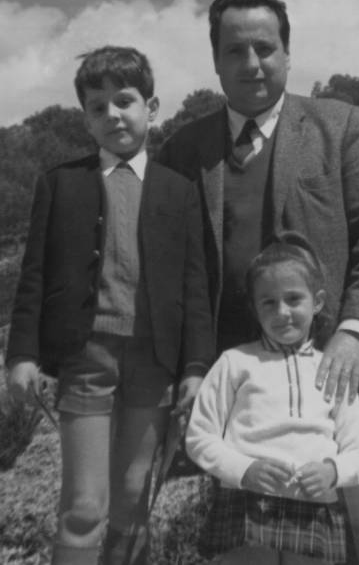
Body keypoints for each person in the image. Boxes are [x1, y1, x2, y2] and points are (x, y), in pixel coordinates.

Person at [158, 0, 359, 565]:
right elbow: (168, 269)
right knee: (246, 540)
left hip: (334, 370)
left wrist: (355, 329)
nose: (252, 63)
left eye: (265, 48)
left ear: (288, 54)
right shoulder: (182, 149)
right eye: (235, 50)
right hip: (235, 383)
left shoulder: (341, 125)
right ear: (216, 59)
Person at [6, 45, 214, 565]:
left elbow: (194, 286)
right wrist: (22, 355)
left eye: (124, 100)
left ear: (153, 106)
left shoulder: (180, 191)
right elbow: (33, 275)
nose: (112, 115)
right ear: (85, 119)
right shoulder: (59, 184)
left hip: (155, 362)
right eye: (97, 107)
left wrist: (194, 367)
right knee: (82, 507)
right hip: (86, 360)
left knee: (131, 503)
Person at [186, 232, 359, 565]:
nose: (282, 311)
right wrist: (244, 469)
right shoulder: (235, 363)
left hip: (315, 508)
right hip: (247, 504)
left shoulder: (332, 369)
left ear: (316, 302)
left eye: (293, 299)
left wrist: (332, 471)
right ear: (254, 310)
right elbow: (199, 437)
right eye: (269, 302)